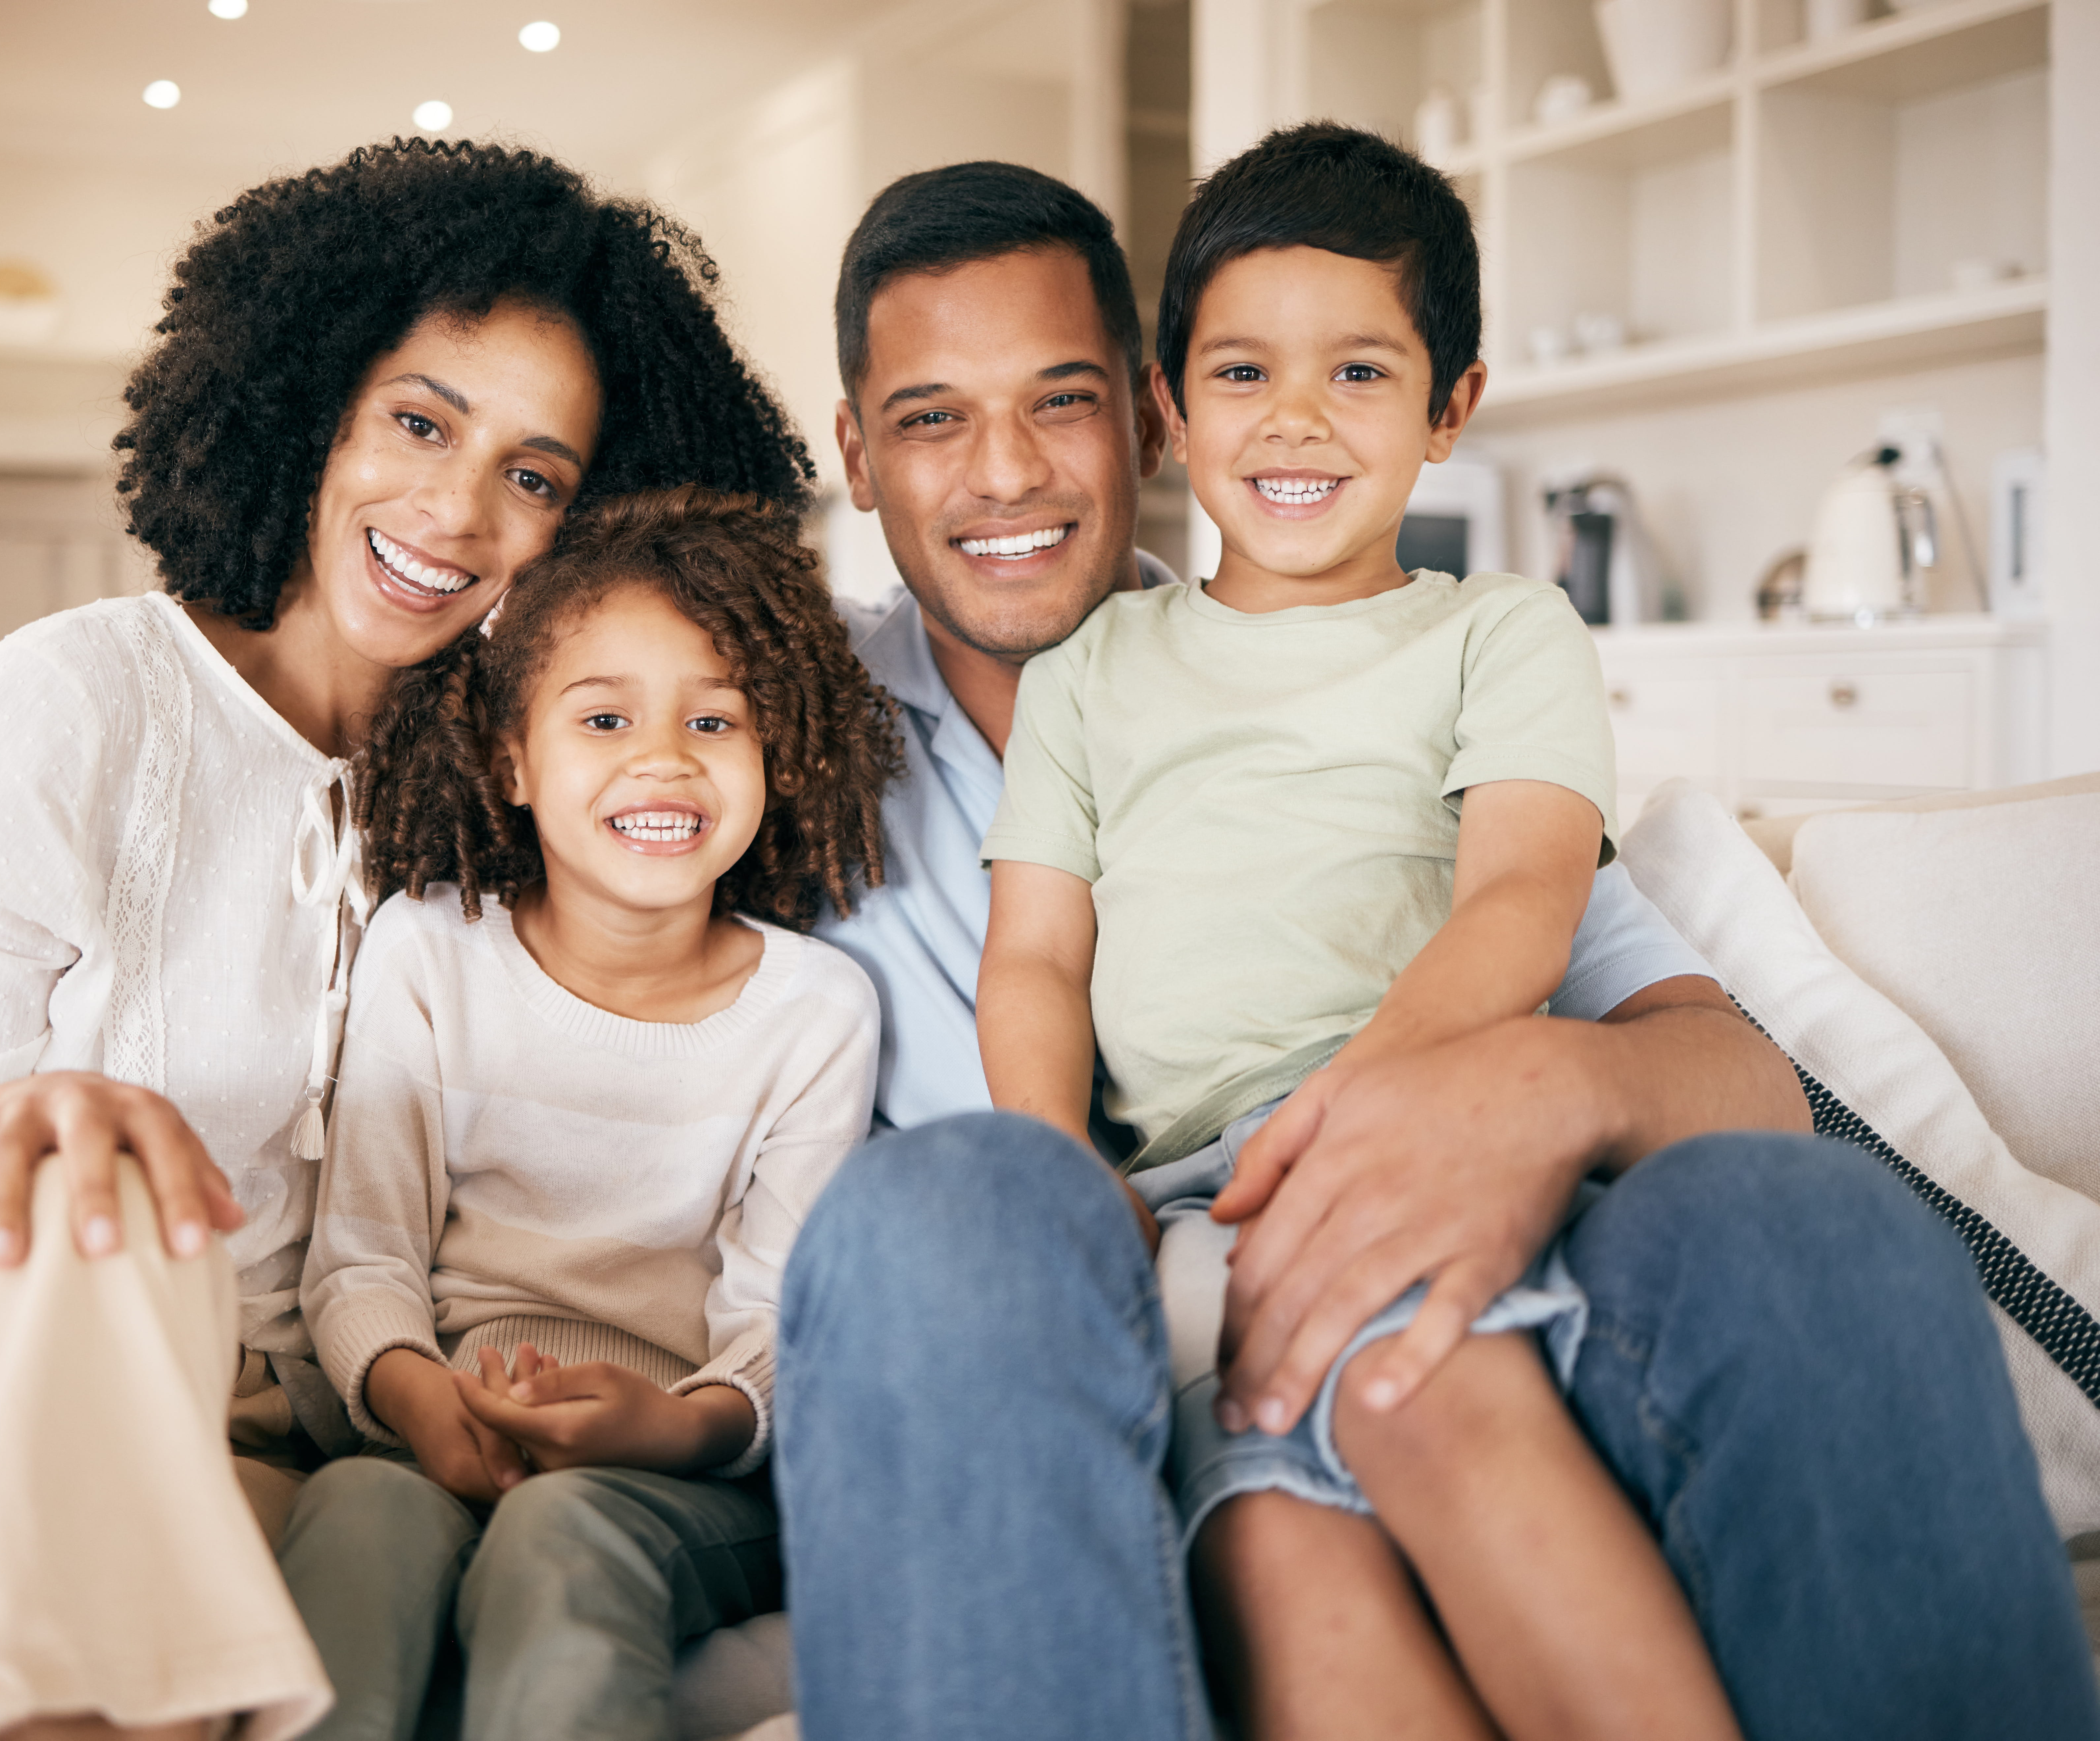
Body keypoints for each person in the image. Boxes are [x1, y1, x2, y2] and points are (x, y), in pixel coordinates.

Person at [780, 152, 2099, 1740]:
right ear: (854, 449)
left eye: (1055, 402)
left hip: (1408, 1212)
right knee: (984, 1230)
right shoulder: (740, 728)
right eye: (930, 416)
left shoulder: (1453, 662)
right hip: (1117, 1290)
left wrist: (1527, 1089)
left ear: (1136, 421)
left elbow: (1671, 1025)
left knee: (1791, 1214)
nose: (1002, 474)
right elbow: (572, 723)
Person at [0, 139, 815, 1741]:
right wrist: (50, 1135)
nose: (456, 508)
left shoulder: (530, 819)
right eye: (419, 423)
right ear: (312, 407)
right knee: (123, 1206)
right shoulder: (74, 698)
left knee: (260, 1611)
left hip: (197, 1488)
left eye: (536, 474)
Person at [976, 126, 1735, 1740]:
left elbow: (1526, 895)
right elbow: (1036, 955)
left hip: (1412, 1133)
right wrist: (1059, 1177)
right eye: (1242, 373)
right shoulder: (1090, 675)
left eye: (1362, 374)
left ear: (1450, 408)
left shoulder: (1498, 631)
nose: (1296, 420)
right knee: (1267, 1543)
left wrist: (1359, 1117)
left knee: (1427, 1393)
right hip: (1186, 1211)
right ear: (1171, 409)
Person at [280, 488, 898, 1741]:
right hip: (435, 1427)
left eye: (714, 719)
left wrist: (667, 1425)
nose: (662, 758)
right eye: (604, 717)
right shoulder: (428, 954)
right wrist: (421, 1405)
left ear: (777, 755)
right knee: (357, 1513)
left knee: (563, 1533)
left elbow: (779, 1327)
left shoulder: (817, 1011)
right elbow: (362, 1259)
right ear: (513, 758)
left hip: (687, 1475)